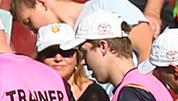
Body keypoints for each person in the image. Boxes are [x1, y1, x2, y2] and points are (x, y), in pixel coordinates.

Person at [35, 23, 109, 101]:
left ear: (78, 57)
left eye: (66, 52)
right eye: (50, 53)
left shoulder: (94, 95)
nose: (58, 58)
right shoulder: (29, 93)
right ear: (40, 59)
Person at [10, 0, 153, 62]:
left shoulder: (105, 4)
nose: (31, 31)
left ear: (41, 3)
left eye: (28, 21)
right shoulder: (60, 41)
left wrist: (139, 91)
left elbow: (146, 46)